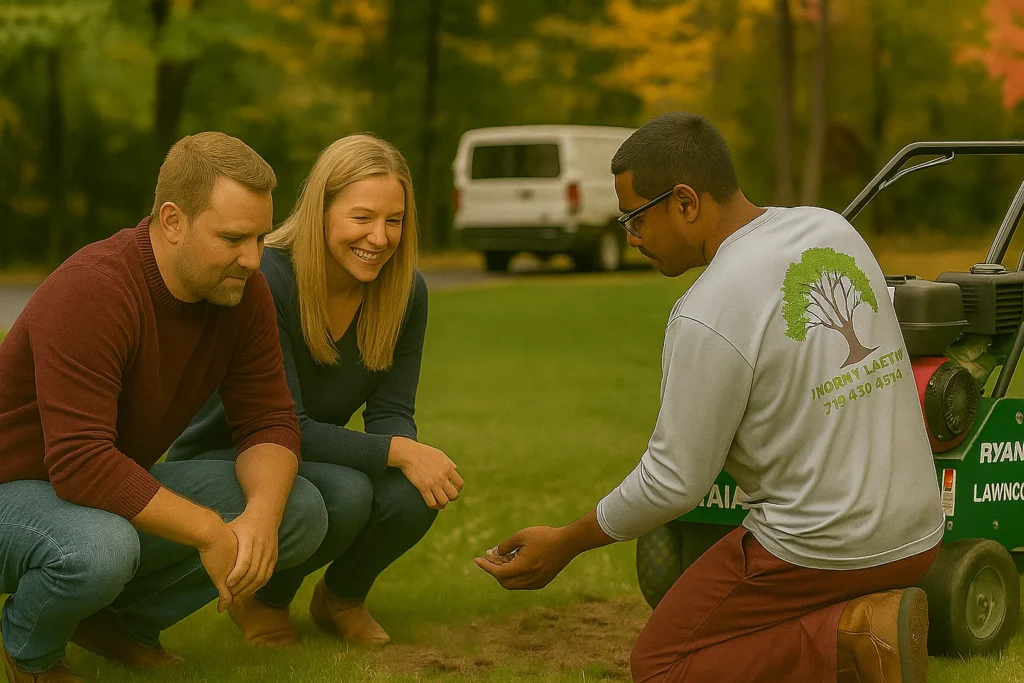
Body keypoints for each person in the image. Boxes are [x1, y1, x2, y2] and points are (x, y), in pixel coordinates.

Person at [475, 112, 944, 683]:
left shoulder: (708, 309)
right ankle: (865, 618)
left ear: (686, 203)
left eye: (635, 216)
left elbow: (674, 482)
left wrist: (567, 542)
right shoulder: (830, 230)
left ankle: (854, 637)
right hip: (919, 536)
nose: (630, 236)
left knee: (660, 666)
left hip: (822, 549)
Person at [0, 132, 328, 683]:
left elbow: (268, 418)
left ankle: (115, 625)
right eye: (232, 238)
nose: (252, 259)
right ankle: (30, 652)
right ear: (172, 221)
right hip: (14, 489)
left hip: (86, 487)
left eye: (260, 237)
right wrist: (208, 530)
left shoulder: (240, 291)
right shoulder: (93, 290)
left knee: (297, 510)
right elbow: (79, 463)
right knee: (102, 549)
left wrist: (260, 521)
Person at [170, 133, 460, 648]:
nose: (379, 237)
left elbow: (391, 409)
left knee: (417, 493)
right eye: (362, 217)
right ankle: (262, 599)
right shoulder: (269, 280)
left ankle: (341, 598)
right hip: (234, 450)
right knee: (347, 495)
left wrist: (409, 455)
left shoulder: (405, 291)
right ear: (321, 210)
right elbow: (284, 423)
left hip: (302, 449)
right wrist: (398, 451)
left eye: (394, 221)